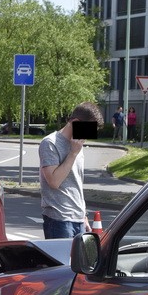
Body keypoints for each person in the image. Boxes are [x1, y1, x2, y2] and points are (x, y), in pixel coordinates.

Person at [39, 101, 103, 239]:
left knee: (80, 261)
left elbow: (77, 183)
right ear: (75, 122)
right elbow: (54, 182)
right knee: (63, 261)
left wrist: (83, 215)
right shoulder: (50, 143)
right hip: (59, 218)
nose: (88, 135)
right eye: (88, 128)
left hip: (78, 218)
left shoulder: (77, 144)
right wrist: (73, 153)